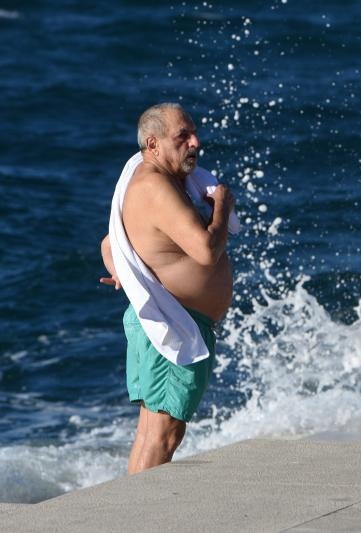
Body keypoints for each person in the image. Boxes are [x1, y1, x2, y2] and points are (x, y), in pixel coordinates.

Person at [99, 103, 235, 474]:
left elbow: (110, 243)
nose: (196, 142)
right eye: (183, 137)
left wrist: (125, 271)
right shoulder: (155, 185)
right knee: (164, 433)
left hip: (170, 321)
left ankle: (131, 514)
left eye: (194, 133)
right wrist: (222, 206)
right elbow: (207, 251)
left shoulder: (151, 178)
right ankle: (137, 518)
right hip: (174, 325)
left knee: (154, 430)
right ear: (154, 144)